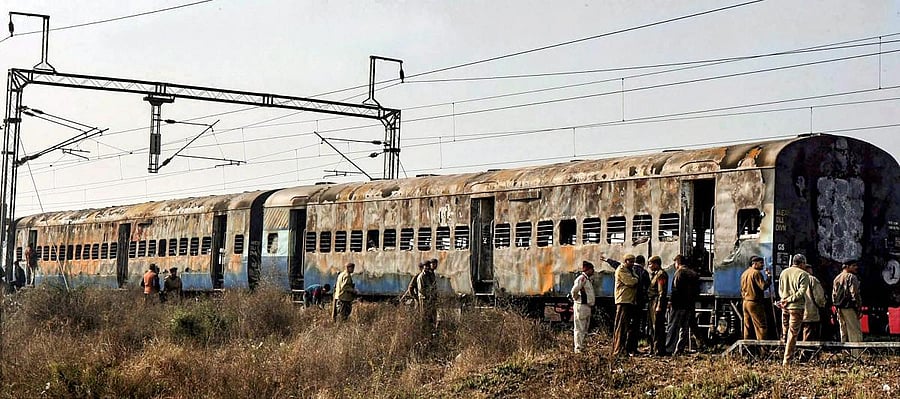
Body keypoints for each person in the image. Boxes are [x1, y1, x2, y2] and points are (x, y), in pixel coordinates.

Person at [778, 254, 810, 366]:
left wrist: (783, 300)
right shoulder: (804, 274)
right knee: (793, 333)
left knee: (785, 332)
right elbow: (801, 292)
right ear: (801, 263)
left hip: (784, 307)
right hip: (796, 307)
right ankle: (787, 360)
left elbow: (780, 290)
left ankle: (781, 355)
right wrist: (790, 299)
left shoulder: (784, 272)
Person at [666, 254, 699, 355]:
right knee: (683, 329)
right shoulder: (693, 274)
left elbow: (675, 289)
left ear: (677, 262)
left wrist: (671, 301)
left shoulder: (679, 273)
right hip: (689, 305)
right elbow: (696, 290)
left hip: (678, 305)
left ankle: (669, 348)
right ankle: (679, 349)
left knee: (673, 327)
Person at [606, 253, 638, 356]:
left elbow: (635, 278)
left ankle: (622, 349)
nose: (633, 263)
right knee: (621, 325)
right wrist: (635, 279)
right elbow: (631, 282)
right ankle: (618, 350)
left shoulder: (630, 270)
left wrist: (635, 279)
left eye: (633, 261)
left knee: (625, 326)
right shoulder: (621, 270)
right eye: (631, 261)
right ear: (626, 261)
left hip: (628, 300)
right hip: (623, 300)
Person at [740, 255, 771, 340]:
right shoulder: (756, 273)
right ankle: (763, 350)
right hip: (754, 302)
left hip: (745, 302)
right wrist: (769, 278)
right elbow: (763, 286)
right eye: (761, 263)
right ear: (754, 263)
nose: (762, 265)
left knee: (747, 326)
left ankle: (746, 349)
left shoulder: (744, 273)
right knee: (761, 326)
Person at [832, 260, 862, 347]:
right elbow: (855, 294)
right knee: (854, 331)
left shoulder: (836, 278)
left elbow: (833, 295)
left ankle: (845, 353)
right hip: (849, 307)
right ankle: (856, 354)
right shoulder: (852, 277)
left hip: (839, 308)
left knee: (843, 331)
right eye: (854, 265)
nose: (856, 267)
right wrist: (858, 307)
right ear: (847, 267)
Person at [627, 255, 651, 354]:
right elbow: (648, 286)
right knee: (636, 325)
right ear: (643, 262)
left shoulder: (630, 270)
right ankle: (633, 347)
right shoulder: (643, 272)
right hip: (639, 302)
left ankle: (627, 347)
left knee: (628, 326)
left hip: (629, 301)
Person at [571, 260, 596, 353]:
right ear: (588, 270)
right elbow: (574, 291)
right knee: (579, 328)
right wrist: (576, 299)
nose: (593, 271)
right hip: (581, 305)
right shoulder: (582, 279)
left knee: (584, 328)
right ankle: (578, 349)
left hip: (586, 306)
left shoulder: (587, 279)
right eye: (592, 269)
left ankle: (581, 346)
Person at [646, 255, 669, 356]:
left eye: (650, 264)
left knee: (657, 327)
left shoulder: (661, 275)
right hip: (652, 301)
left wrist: (659, 305)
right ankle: (653, 349)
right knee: (652, 327)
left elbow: (662, 292)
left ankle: (658, 350)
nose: (649, 266)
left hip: (656, 302)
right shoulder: (655, 274)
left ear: (656, 264)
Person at [801, 263, 826, 341]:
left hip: (797, 310)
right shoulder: (812, 279)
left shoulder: (795, 278)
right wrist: (822, 305)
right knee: (809, 332)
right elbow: (819, 297)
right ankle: (807, 351)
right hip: (810, 310)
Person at [417, 258, 439, 330]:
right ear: (423, 267)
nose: (427, 267)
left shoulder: (428, 275)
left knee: (431, 316)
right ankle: (422, 331)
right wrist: (428, 295)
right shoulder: (421, 276)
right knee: (424, 315)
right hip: (424, 299)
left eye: (428, 266)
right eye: (426, 266)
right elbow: (421, 289)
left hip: (429, 298)